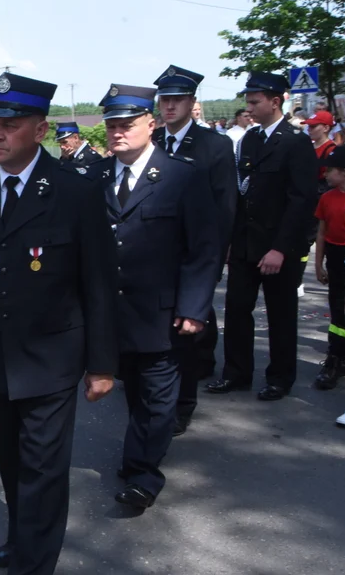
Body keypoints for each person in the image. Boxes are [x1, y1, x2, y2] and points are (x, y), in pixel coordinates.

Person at [0, 72, 118, 574]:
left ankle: (35, 561)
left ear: (39, 129)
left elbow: (98, 283)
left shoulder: (75, 191)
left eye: (10, 125)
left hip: (52, 356)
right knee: (12, 461)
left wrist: (102, 364)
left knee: (43, 468)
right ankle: (20, 533)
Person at [92, 85, 219, 510]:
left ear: (152, 123)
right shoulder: (94, 178)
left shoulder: (182, 176)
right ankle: (138, 457)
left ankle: (144, 476)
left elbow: (203, 248)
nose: (117, 132)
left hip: (162, 314)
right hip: (113, 315)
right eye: (111, 125)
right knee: (135, 396)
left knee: (157, 399)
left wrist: (193, 307)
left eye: (126, 124)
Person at [207, 73, 317, 402]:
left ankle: (280, 378)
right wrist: (230, 241)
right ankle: (236, 373)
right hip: (244, 243)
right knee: (237, 309)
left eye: (255, 101)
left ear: (275, 100)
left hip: (277, 247)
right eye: (248, 101)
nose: (249, 107)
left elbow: (302, 201)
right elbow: (242, 194)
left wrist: (280, 249)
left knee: (280, 314)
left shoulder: (296, 142)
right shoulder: (250, 139)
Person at [151, 65, 237, 428]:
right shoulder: (152, 140)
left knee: (186, 335)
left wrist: (214, 258)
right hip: (154, 255)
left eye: (177, 100)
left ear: (191, 103)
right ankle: (157, 394)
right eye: (165, 100)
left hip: (193, 254)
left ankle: (182, 405)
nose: (170, 107)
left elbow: (225, 205)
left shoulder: (214, 145)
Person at [313, 146, 345, 390]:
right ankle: (336, 357)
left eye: (330, 171)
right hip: (335, 257)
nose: (326, 175)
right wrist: (318, 264)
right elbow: (321, 232)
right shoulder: (327, 198)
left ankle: (343, 357)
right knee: (338, 308)